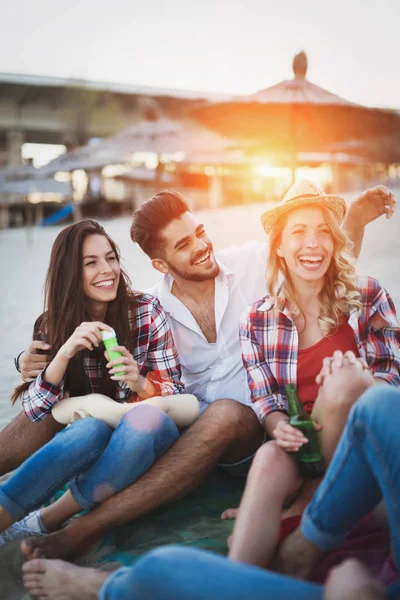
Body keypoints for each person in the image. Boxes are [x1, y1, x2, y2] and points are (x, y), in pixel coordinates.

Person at [5, 185, 397, 560]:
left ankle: (83, 529)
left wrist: (357, 218)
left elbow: (318, 260)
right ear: (160, 264)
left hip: (257, 423)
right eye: (183, 244)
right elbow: (87, 323)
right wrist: (31, 359)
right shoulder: (151, 310)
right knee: (56, 404)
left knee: (223, 413)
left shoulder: (251, 262)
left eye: (199, 232)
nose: (201, 246)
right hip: (192, 435)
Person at [22, 384, 400, 600]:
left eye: (199, 236)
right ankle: (305, 545)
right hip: (275, 449)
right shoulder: (157, 305)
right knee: (378, 403)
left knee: (161, 567)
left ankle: (101, 587)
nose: (200, 245)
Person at [223, 180, 400, 568]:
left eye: (323, 232)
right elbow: (265, 396)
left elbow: (391, 381)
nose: (313, 244)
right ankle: (239, 579)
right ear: (280, 248)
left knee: (343, 382)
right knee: (268, 457)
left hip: (359, 450)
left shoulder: (368, 295)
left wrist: (356, 381)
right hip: (300, 451)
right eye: (298, 232)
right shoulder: (256, 319)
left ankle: (305, 509)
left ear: (336, 241)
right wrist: (277, 425)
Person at [0, 219, 190, 546]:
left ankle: (48, 519)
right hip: (95, 440)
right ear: (70, 273)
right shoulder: (52, 327)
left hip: (151, 434)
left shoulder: (146, 311)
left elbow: (175, 391)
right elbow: (35, 412)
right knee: (89, 429)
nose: (107, 270)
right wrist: (63, 354)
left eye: (111, 258)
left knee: (143, 419)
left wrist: (141, 383)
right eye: (91, 263)